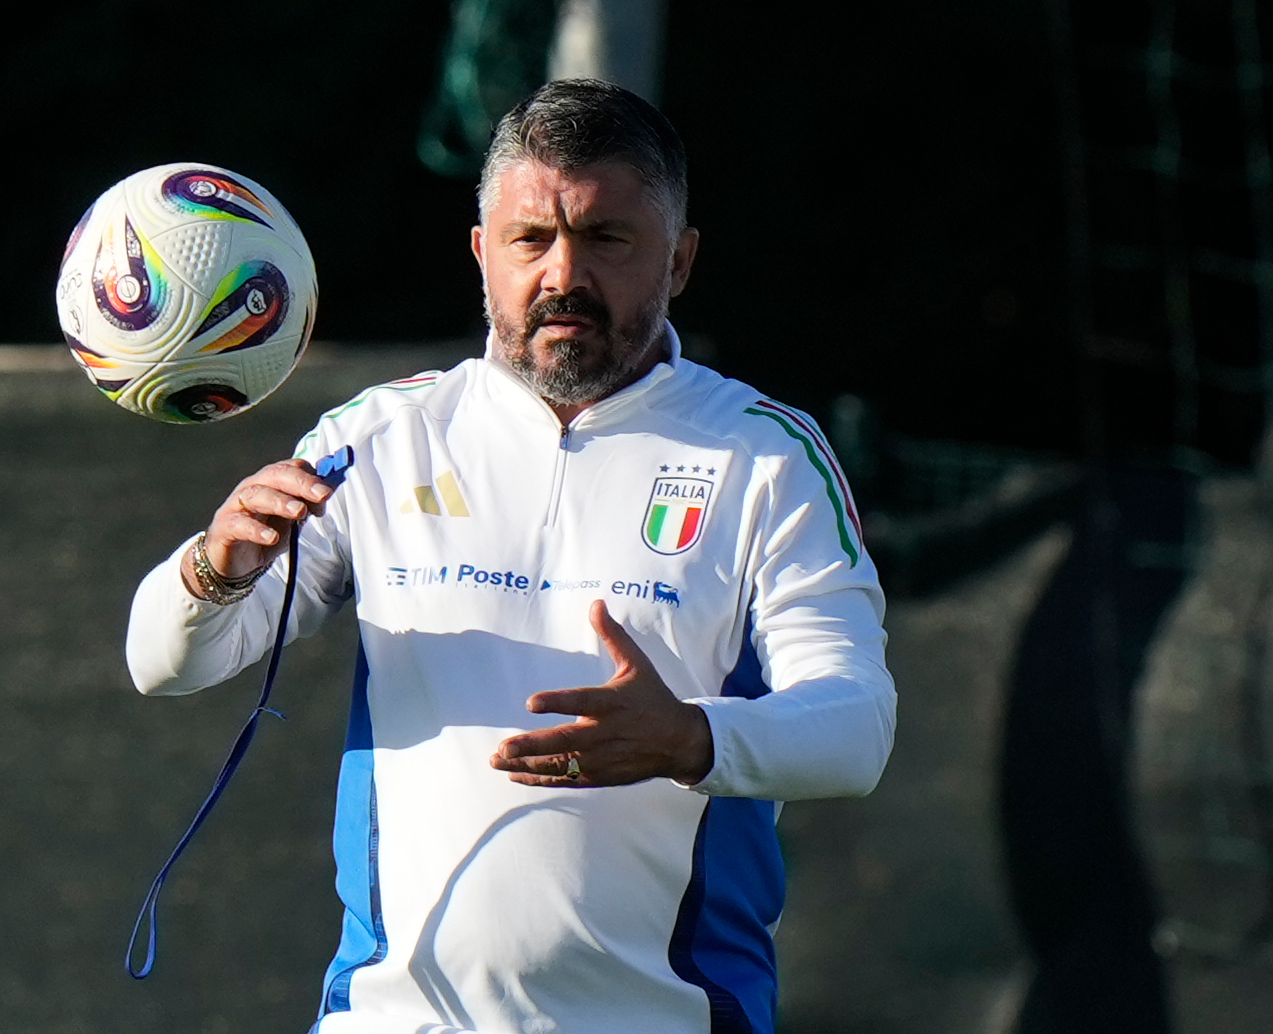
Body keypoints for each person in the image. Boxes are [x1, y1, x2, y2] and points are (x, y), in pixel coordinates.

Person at [127, 78, 895, 1034]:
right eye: (531, 240)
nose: (563, 275)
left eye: (607, 239)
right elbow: (163, 663)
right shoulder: (384, 435)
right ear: (481, 252)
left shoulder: (763, 454)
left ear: (682, 259)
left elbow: (856, 727)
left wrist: (691, 740)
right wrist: (216, 566)